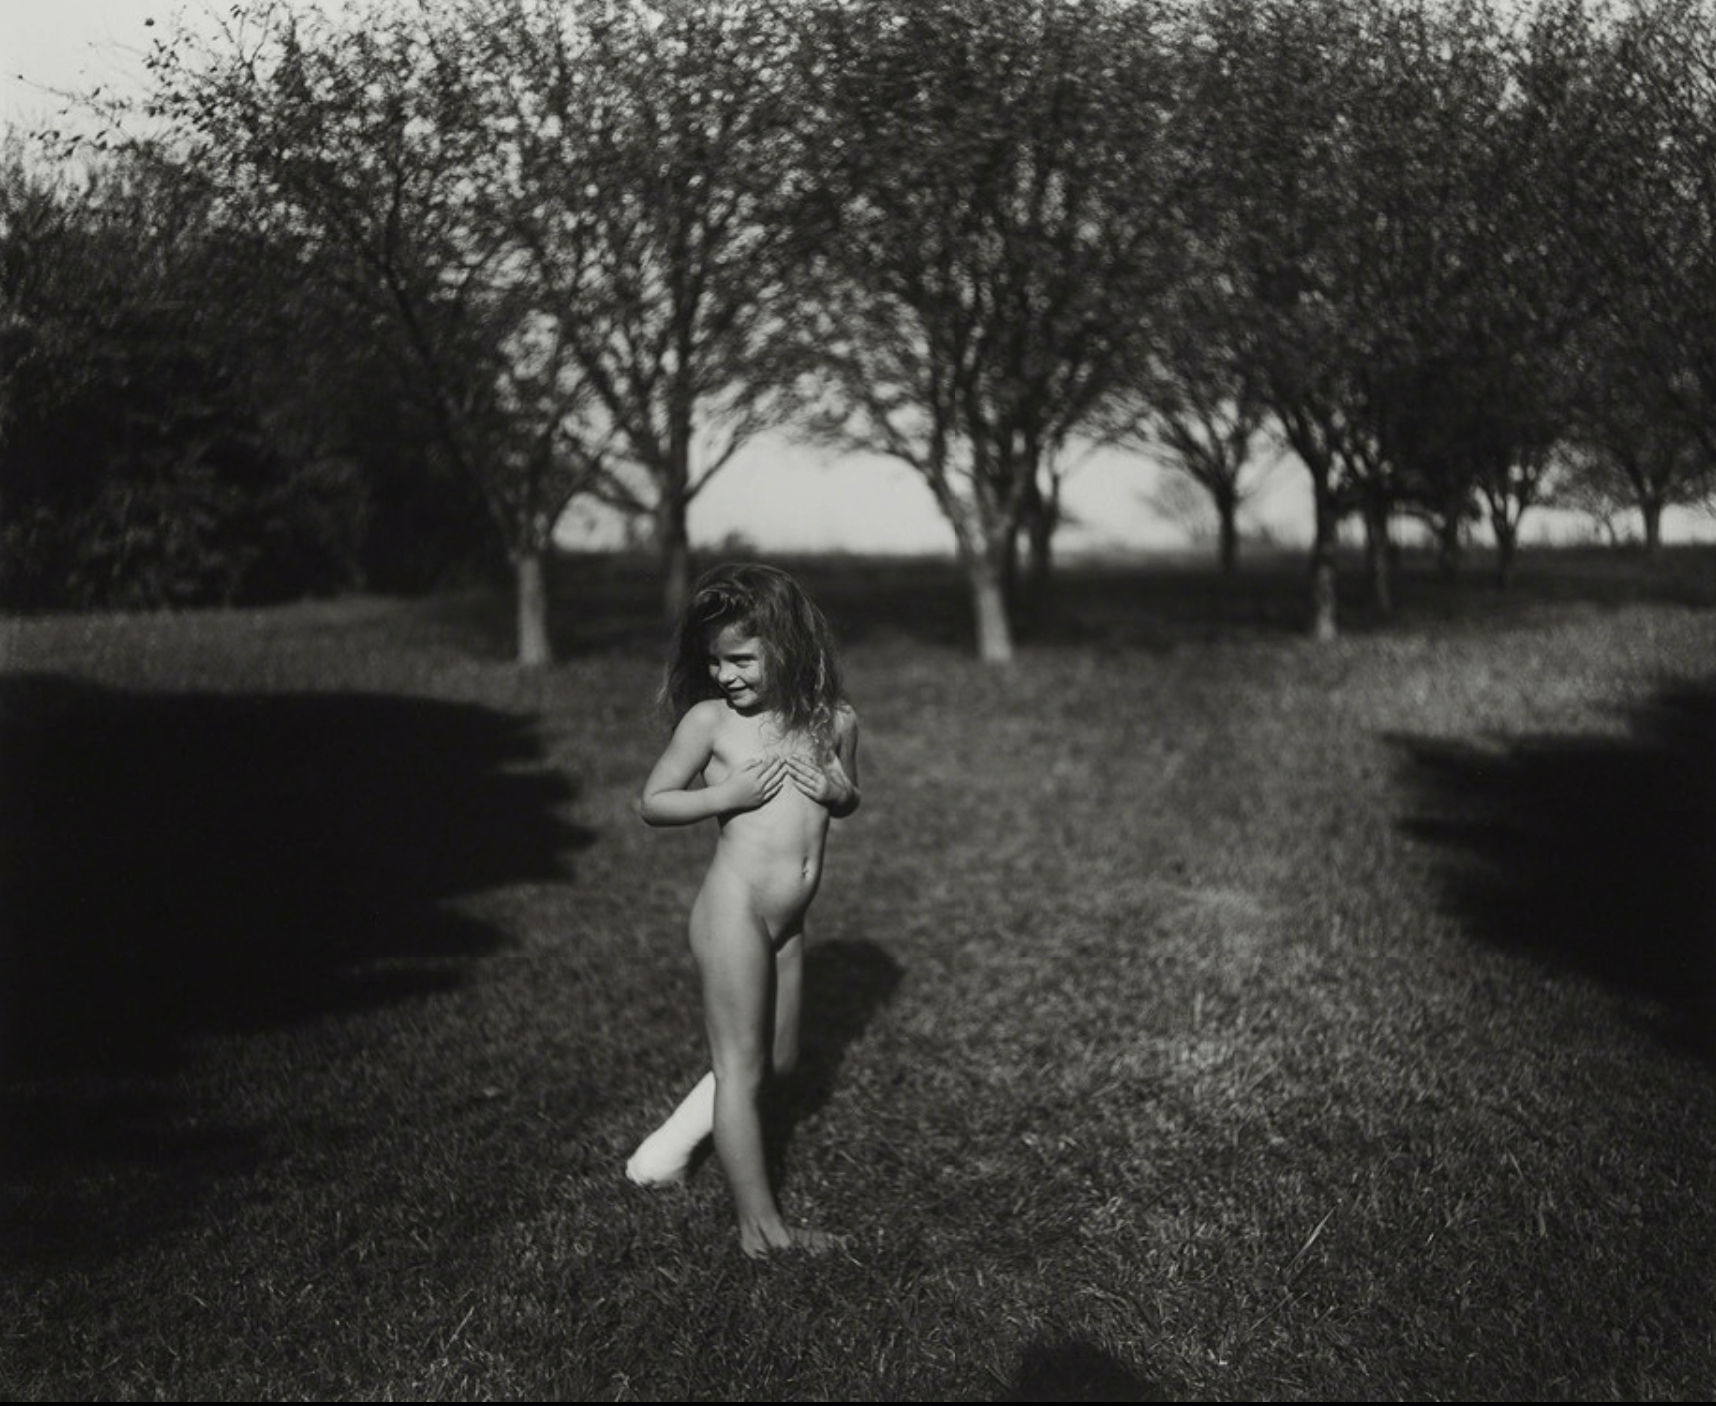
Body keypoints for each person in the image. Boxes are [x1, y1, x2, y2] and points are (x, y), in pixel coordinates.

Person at [629, 563, 860, 1258]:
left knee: (780, 1061)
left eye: (741, 658)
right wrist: (720, 798)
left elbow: (848, 797)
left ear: (786, 645)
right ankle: (762, 1233)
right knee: (742, 1069)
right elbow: (654, 801)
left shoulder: (834, 721)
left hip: (789, 923)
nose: (725, 674)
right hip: (734, 913)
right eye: (714, 661)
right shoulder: (711, 722)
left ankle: (662, 1154)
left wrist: (836, 786)